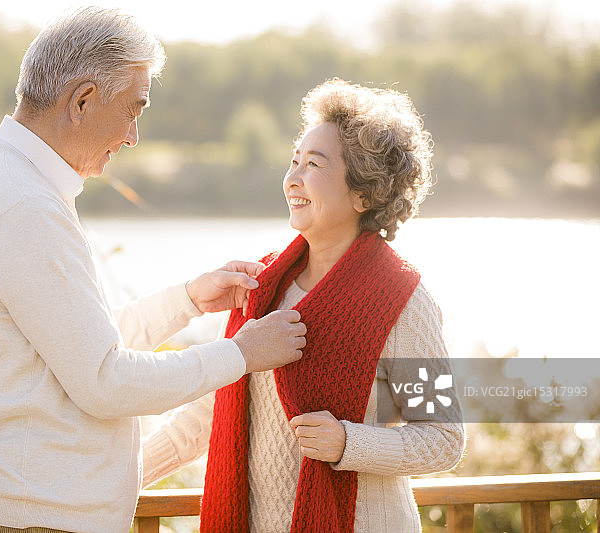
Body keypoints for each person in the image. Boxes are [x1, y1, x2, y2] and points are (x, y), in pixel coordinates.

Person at [0, 7, 306, 533]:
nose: (133, 136)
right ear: (82, 101)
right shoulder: (24, 205)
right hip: (31, 517)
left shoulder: (0, 181)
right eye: (133, 111)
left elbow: (76, 352)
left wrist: (188, 301)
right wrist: (242, 353)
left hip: (21, 507)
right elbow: (105, 381)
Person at [142, 78, 466, 532]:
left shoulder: (404, 299)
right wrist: (116, 481)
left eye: (314, 164)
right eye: (294, 160)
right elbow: (208, 416)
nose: (293, 178)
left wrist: (348, 443)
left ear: (364, 194)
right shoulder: (262, 286)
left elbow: (443, 438)